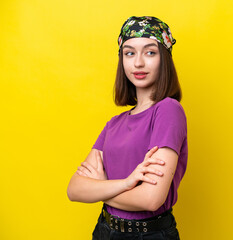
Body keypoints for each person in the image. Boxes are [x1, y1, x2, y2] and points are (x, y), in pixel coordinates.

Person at [67, 16, 188, 240]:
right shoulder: (114, 123)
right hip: (104, 230)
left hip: (148, 234)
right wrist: (126, 183)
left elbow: (151, 199)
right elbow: (74, 190)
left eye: (150, 52)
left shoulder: (168, 110)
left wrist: (100, 188)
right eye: (129, 53)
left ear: (165, 58)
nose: (138, 63)